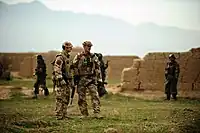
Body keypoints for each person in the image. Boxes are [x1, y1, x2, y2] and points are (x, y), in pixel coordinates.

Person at [72, 41, 103, 119]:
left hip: (91, 79)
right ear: (84, 46)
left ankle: (97, 113)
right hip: (81, 79)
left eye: (90, 46)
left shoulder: (93, 57)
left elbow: (97, 68)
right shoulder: (79, 56)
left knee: (95, 96)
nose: (89, 48)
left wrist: (99, 79)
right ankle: (84, 114)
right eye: (87, 46)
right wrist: (75, 77)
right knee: (81, 97)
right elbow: (73, 66)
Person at [52, 41, 74, 120]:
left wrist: (71, 80)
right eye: (69, 47)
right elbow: (57, 68)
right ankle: (59, 115)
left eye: (71, 47)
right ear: (65, 47)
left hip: (67, 81)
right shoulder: (60, 57)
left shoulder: (67, 57)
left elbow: (69, 70)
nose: (71, 48)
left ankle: (64, 114)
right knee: (60, 98)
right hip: (61, 81)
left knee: (66, 98)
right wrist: (60, 78)